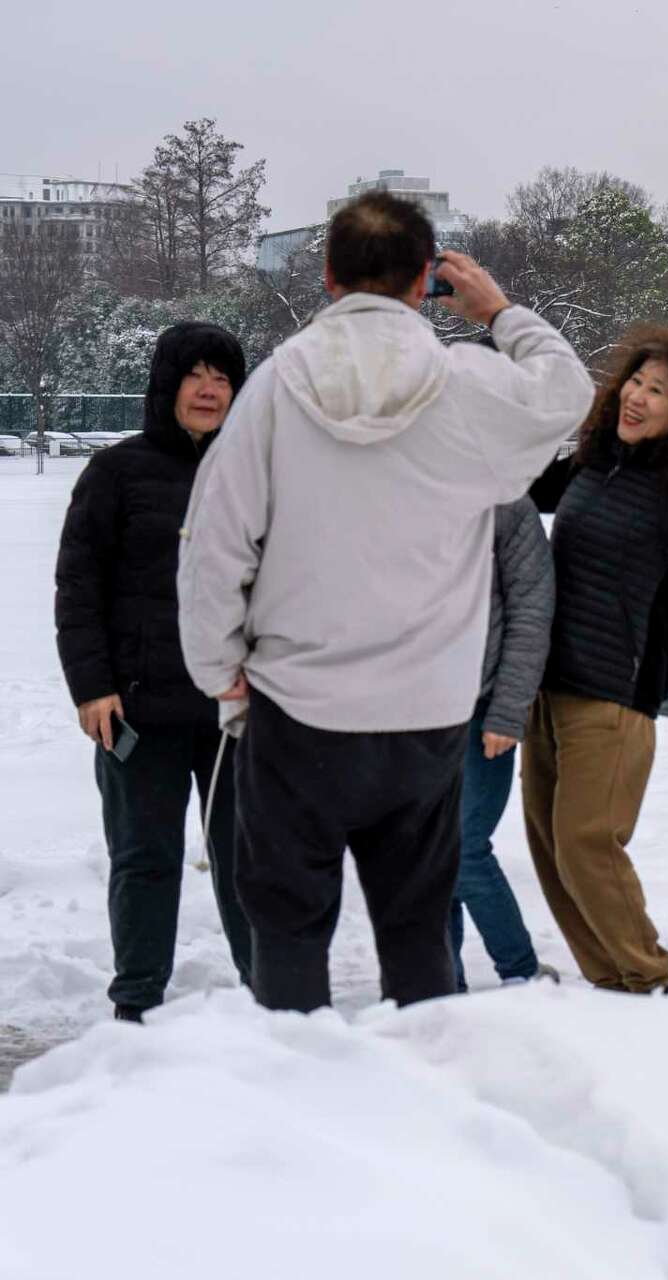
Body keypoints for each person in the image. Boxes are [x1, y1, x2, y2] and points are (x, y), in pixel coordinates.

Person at [177, 192, 593, 1013]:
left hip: (296, 708)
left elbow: (214, 544)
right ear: (422, 281)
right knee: (417, 930)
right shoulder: (467, 385)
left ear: (328, 276)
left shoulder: (272, 389)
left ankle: (294, 1101)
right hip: (427, 708)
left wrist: (218, 670)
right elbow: (565, 392)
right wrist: (501, 311)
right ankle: (427, 1107)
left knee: (289, 933)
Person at [524, 325, 668, 996]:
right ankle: (612, 985)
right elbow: (516, 485)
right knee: (550, 852)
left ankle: (650, 977)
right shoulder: (591, 464)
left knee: (586, 844)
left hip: (615, 699)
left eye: (658, 391)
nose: (638, 397)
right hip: (549, 688)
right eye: (636, 381)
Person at [55, 323, 255, 1023]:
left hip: (235, 712)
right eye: (195, 375)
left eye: (223, 378)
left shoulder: (255, 472)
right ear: (166, 386)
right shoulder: (115, 474)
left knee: (246, 861)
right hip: (136, 708)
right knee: (145, 860)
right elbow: (78, 589)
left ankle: (268, 1001)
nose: (208, 389)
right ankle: (135, 1004)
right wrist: (91, 688)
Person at [449, 495, 560, 991]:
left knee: (463, 848)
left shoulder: (504, 497)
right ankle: (437, 979)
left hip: (483, 708)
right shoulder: (396, 481)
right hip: (409, 713)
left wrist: (508, 711)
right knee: (426, 850)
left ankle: (519, 971)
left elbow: (532, 608)